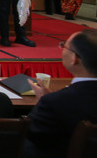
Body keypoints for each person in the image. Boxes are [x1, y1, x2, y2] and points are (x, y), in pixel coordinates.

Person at [25, 29, 97, 158]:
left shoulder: (56, 103)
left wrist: (47, 102)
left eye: (64, 46)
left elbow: (26, 138)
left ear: (74, 58)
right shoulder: (57, 100)